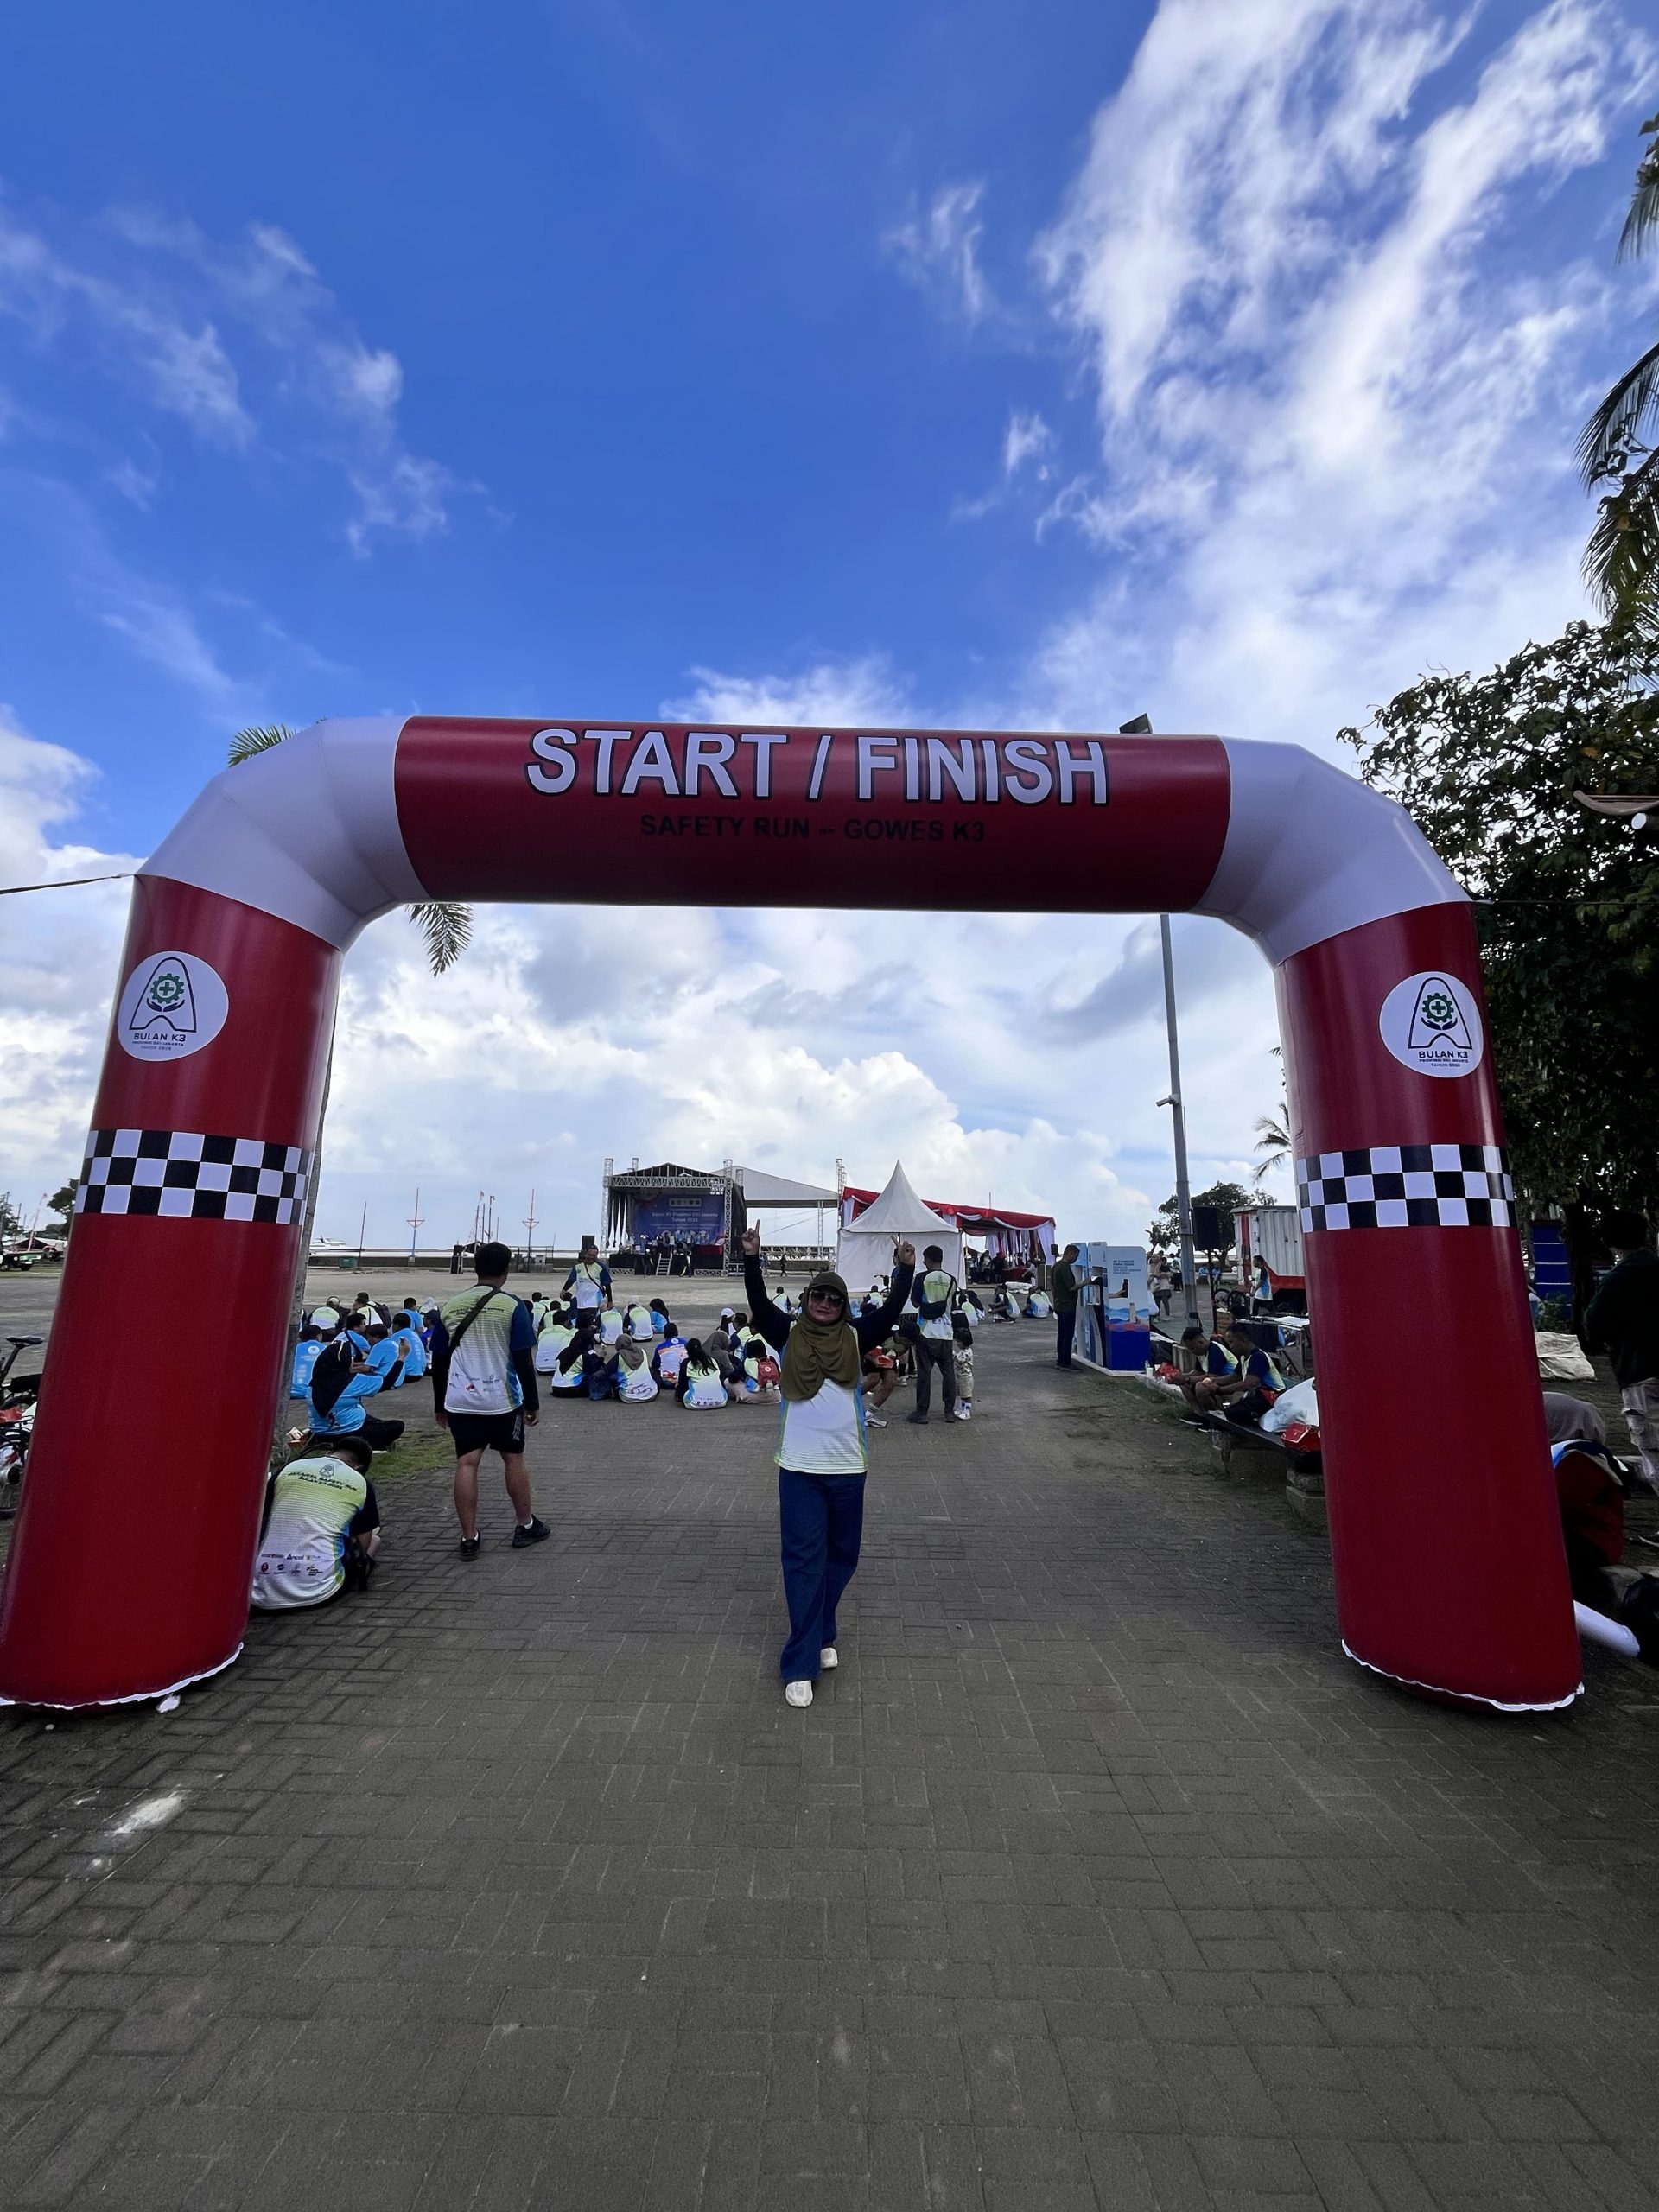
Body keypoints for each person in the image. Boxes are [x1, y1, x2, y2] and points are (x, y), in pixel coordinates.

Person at [741, 1226, 916, 1709]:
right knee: (802, 1561)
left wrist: (904, 1268)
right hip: (798, 1468)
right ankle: (800, 1661)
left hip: (847, 1469)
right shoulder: (787, 1333)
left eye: (833, 1298)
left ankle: (821, 1630)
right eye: (816, 1295)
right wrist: (752, 1258)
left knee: (842, 1557)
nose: (823, 1303)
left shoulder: (859, 1338)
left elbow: (892, 1310)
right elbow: (759, 1301)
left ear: (843, 1305)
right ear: (806, 1300)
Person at [429, 1240, 550, 1560]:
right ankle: (525, 1525)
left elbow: (439, 1361)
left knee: (467, 1463)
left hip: (460, 1400)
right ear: (506, 1271)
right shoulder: (512, 1307)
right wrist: (533, 1403)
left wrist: (439, 1404)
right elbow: (523, 1359)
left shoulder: (451, 1306)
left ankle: (469, 1537)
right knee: (513, 1458)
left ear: (475, 1268)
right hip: (502, 1400)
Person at [251, 1433, 382, 1611]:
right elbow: (363, 1545)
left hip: (260, 1588)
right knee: (375, 1539)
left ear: (329, 1453)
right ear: (359, 1467)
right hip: (318, 1590)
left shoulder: (289, 1468)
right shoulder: (361, 1482)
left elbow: (262, 1520)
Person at [1584, 1211, 1659, 1494]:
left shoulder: (1622, 1277)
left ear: (1607, 1241)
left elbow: (1595, 1322)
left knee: (1653, 1449)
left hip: (1642, 1372)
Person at [305, 1328, 406, 1452]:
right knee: (396, 1426)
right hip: (350, 1433)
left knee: (372, 1419)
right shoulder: (353, 1382)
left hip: (319, 1435)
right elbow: (387, 1382)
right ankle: (365, 1445)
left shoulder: (313, 1384)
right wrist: (401, 1357)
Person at [907, 1244, 960, 1425]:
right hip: (946, 1332)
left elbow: (915, 1303)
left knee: (924, 1373)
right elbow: (952, 1306)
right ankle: (949, 1412)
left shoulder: (922, 1277)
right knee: (948, 1373)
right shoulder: (952, 1280)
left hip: (926, 1331)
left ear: (928, 1260)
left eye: (925, 1259)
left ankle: (922, 1412)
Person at [563, 1238, 612, 1317]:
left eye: (593, 1256)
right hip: (580, 1303)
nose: (591, 1258)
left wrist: (610, 1301)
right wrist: (564, 1289)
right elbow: (571, 1280)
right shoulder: (578, 1267)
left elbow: (607, 1285)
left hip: (594, 1303)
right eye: (589, 1255)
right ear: (585, 1254)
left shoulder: (601, 1268)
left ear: (597, 1256)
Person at [1051, 1243, 1080, 1367]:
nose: (1076, 1259)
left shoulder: (1056, 1266)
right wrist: (1085, 1282)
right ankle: (1066, 1362)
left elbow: (1052, 1286)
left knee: (1062, 1334)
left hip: (1059, 1305)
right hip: (1068, 1306)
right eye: (1076, 1256)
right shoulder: (1064, 1268)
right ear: (1070, 1253)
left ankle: (1061, 1359)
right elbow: (1072, 1287)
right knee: (1068, 1335)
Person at [677, 1340, 728, 1408]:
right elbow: (720, 1378)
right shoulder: (712, 1361)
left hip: (694, 1403)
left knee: (681, 1387)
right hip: (721, 1402)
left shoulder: (686, 1363)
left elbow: (682, 1382)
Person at [614, 1333, 659, 1402]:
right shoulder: (642, 1352)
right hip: (650, 1392)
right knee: (656, 1371)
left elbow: (606, 1371)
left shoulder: (619, 1356)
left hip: (627, 1396)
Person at [950, 1309, 976, 1422]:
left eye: (958, 1341)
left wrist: (952, 1353)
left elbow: (959, 1360)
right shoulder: (964, 1351)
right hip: (960, 1376)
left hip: (966, 1377)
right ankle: (961, 1409)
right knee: (961, 1394)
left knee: (966, 1395)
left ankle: (967, 1411)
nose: (957, 1343)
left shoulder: (966, 1352)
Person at [391, 1309, 428, 1382]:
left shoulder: (396, 1336)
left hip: (408, 1374)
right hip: (420, 1373)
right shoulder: (415, 1335)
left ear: (397, 1325)